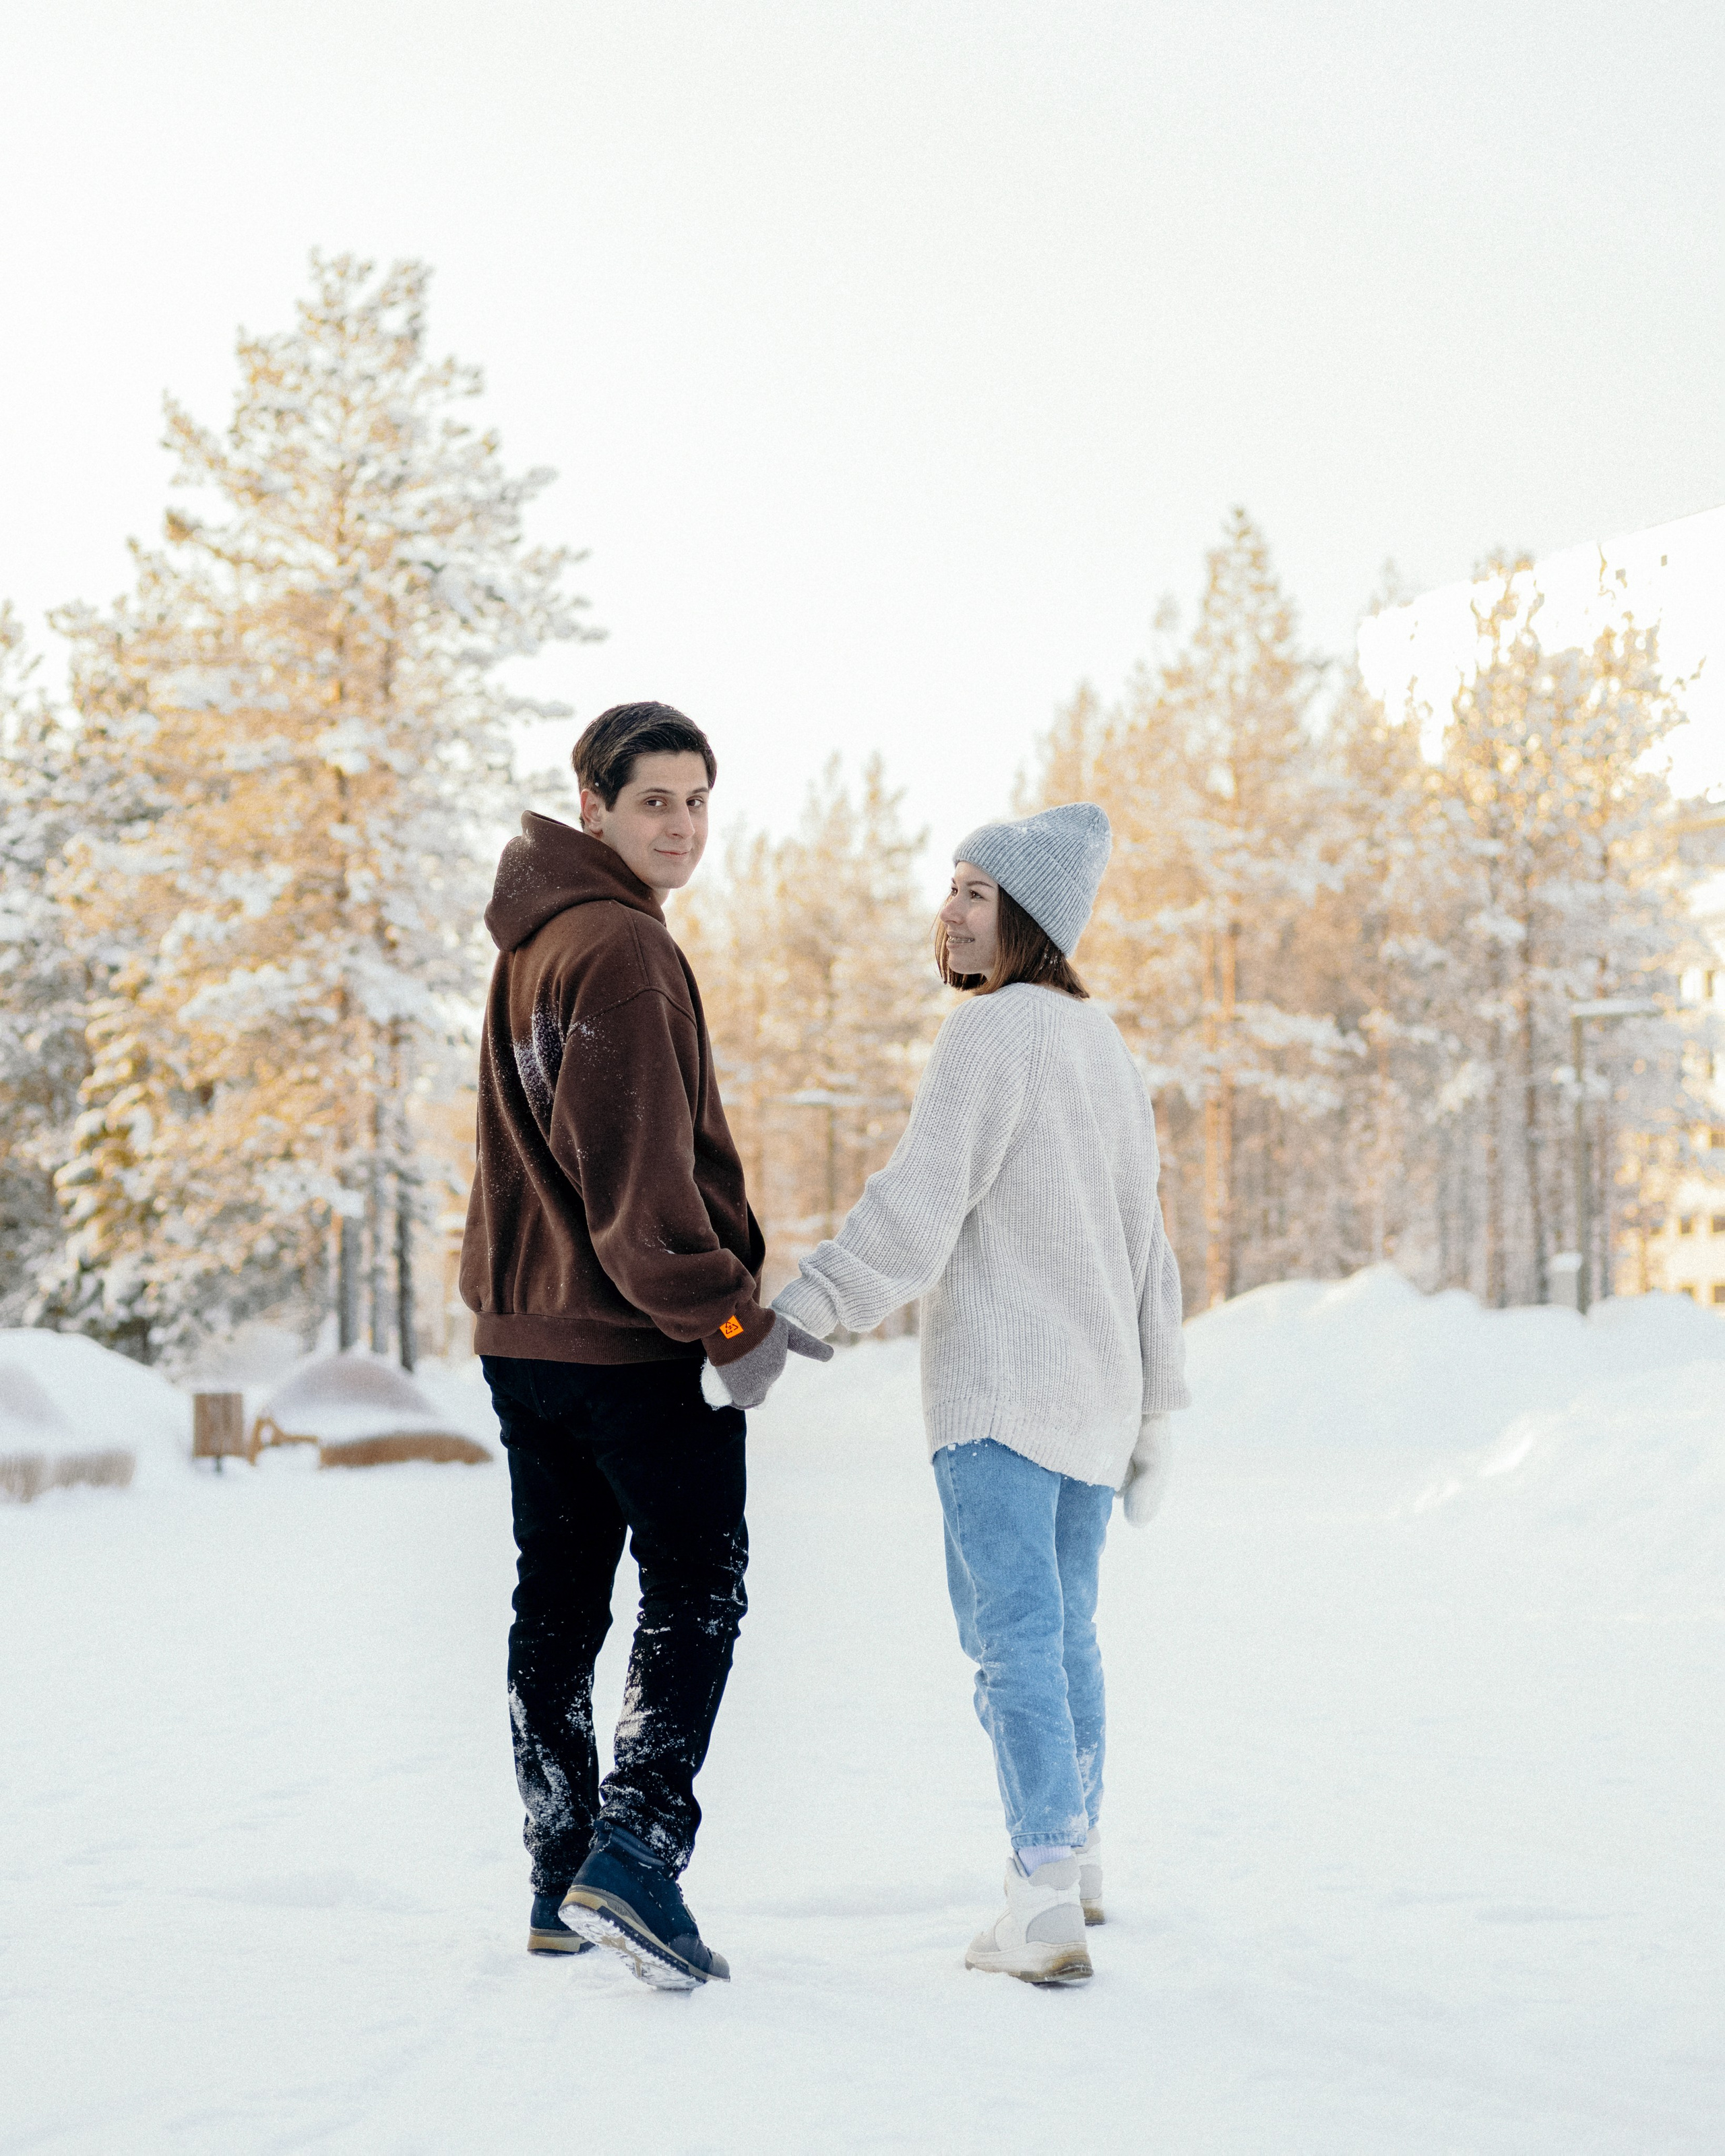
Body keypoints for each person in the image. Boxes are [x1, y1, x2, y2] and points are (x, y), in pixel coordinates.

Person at [772, 802, 1187, 1987]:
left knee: (1011, 1642)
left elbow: (918, 1207)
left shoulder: (993, 1036)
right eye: (950, 887)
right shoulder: (1104, 1046)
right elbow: (1149, 1244)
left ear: (1029, 919)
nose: (948, 911)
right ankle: (1083, 1858)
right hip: (1095, 1405)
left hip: (1002, 1396)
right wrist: (1156, 1402)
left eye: (975, 892)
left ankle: (1042, 1898)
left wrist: (809, 1304)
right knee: (1064, 1636)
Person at [460, 700, 829, 1991]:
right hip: (627, 1345)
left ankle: (562, 1875)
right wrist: (728, 1319)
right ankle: (636, 1851)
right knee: (697, 1581)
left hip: (528, 1336)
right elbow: (637, 1186)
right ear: (594, 810)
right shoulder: (619, 949)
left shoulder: (537, 938)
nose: (681, 825)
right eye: (654, 802)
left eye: (697, 801)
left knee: (558, 1596)